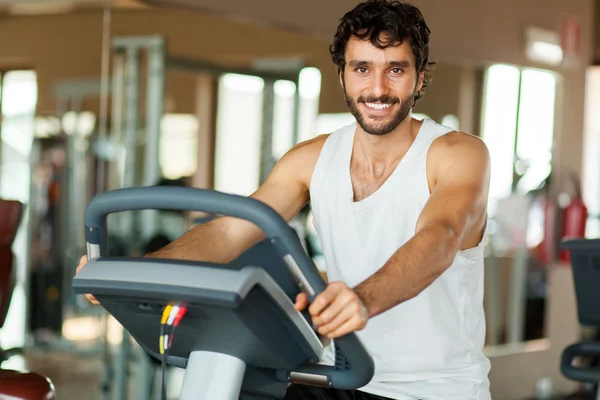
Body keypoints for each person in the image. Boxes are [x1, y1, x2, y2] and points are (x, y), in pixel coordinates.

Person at [77, 0, 491, 398]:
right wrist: (133, 274)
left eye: (395, 69)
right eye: (362, 68)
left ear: (419, 79)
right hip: (343, 377)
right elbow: (227, 233)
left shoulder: (457, 155)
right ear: (343, 76)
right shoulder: (311, 159)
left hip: (437, 390)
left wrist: (365, 298)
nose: (377, 88)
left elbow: (441, 236)